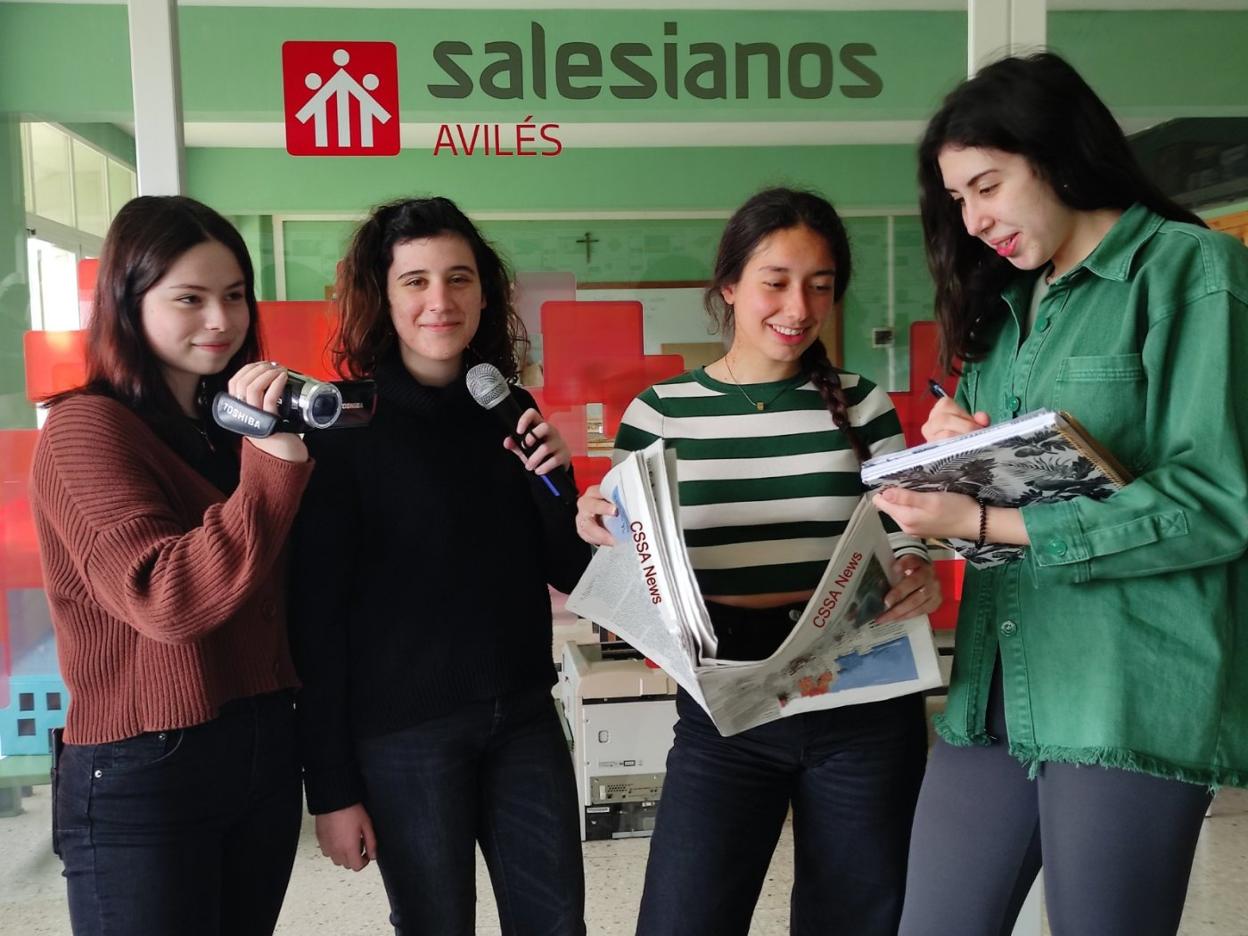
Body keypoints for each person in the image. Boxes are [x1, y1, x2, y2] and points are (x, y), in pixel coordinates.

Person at [871, 53, 1248, 936]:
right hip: (999, 681)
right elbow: (1027, 487)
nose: (974, 220)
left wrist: (985, 517)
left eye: (988, 185)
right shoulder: (1003, 311)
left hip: (1125, 686)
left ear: (1056, 152)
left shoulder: (1189, 272)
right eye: (959, 201)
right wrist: (962, 459)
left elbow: (1216, 500)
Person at [575, 187, 944, 936]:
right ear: (730, 288)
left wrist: (913, 568)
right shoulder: (660, 412)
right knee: (684, 917)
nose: (799, 306)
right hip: (726, 704)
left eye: (820, 285)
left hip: (861, 699)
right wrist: (596, 522)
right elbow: (636, 542)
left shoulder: (865, 405)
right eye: (775, 280)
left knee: (853, 919)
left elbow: (909, 527)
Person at [289, 196, 591, 935]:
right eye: (415, 281)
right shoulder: (342, 427)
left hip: (522, 715)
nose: (439, 301)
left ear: (484, 294)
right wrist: (330, 788)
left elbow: (571, 571)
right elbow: (314, 621)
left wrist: (557, 489)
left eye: (458, 279)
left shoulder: (506, 407)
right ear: (382, 296)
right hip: (402, 737)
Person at [30, 196, 313, 935]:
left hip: (261, 750)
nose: (221, 320)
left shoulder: (225, 429)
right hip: (146, 766)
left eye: (234, 296)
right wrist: (275, 466)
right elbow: (165, 597)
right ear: (129, 302)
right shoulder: (84, 429)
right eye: (189, 299)